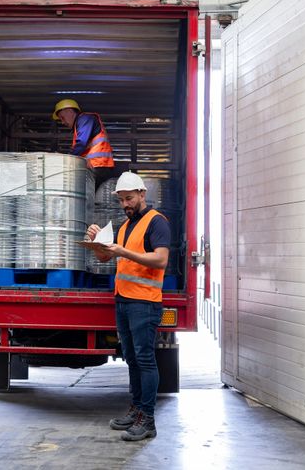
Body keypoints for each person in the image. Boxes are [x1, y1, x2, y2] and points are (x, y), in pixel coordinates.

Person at [85, 171, 170, 441]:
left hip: (144, 302)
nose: (125, 204)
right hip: (124, 300)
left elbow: (160, 260)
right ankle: (136, 411)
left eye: (129, 199)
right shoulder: (124, 227)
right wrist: (96, 241)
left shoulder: (157, 223)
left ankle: (148, 421)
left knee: (145, 360)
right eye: (121, 200)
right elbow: (105, 257)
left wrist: (121, 251)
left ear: (143, 194)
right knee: (132, 359)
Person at [52, 99, 115, 183]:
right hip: (95, 165)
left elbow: (81, 143)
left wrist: (67, 159)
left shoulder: (85, 119)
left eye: (62, 117)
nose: (62, 122)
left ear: (70, 111)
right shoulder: (80, 124)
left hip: (98, 165)